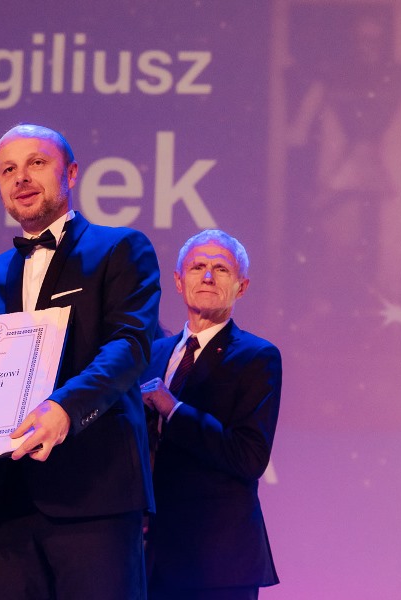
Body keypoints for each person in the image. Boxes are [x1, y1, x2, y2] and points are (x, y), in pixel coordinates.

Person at [0, 123, 161, 600]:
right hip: (6, 500)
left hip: (95, 494)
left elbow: (130, 346)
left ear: (70, 173)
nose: (21, 178)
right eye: (7, 170)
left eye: (37, 163)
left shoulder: (120, 249)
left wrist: (65, 409)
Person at [139, 229, 281, 600]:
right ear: (178, 281)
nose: (206, 276)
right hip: (148, 558)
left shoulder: (257, 357)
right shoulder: (152, 355)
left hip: (218, 562)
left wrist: (173, 409)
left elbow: (249, 457)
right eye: (197, 267)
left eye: (220, 269)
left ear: (241, 286)